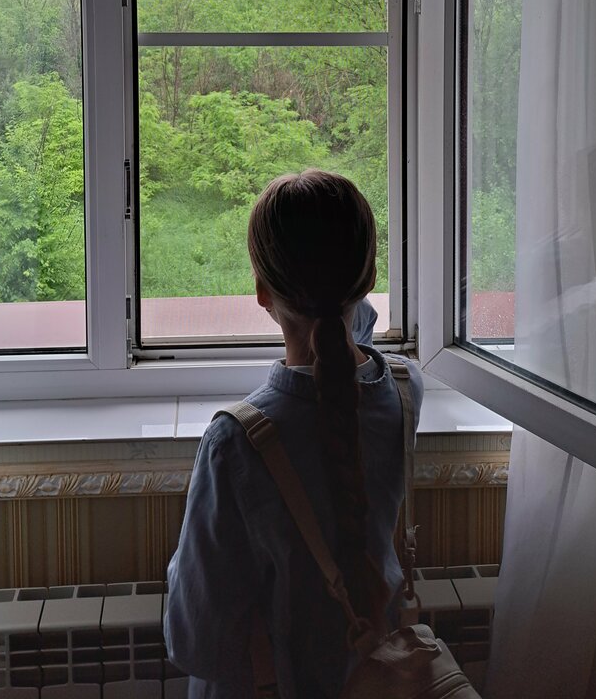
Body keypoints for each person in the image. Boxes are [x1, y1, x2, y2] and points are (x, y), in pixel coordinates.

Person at [164, 169, 423, 698]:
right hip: (379, 676)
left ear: (262, 292)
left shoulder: (235, 442)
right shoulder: (403, 391)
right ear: (369, 278)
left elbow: (195, 642)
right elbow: (353, 340)